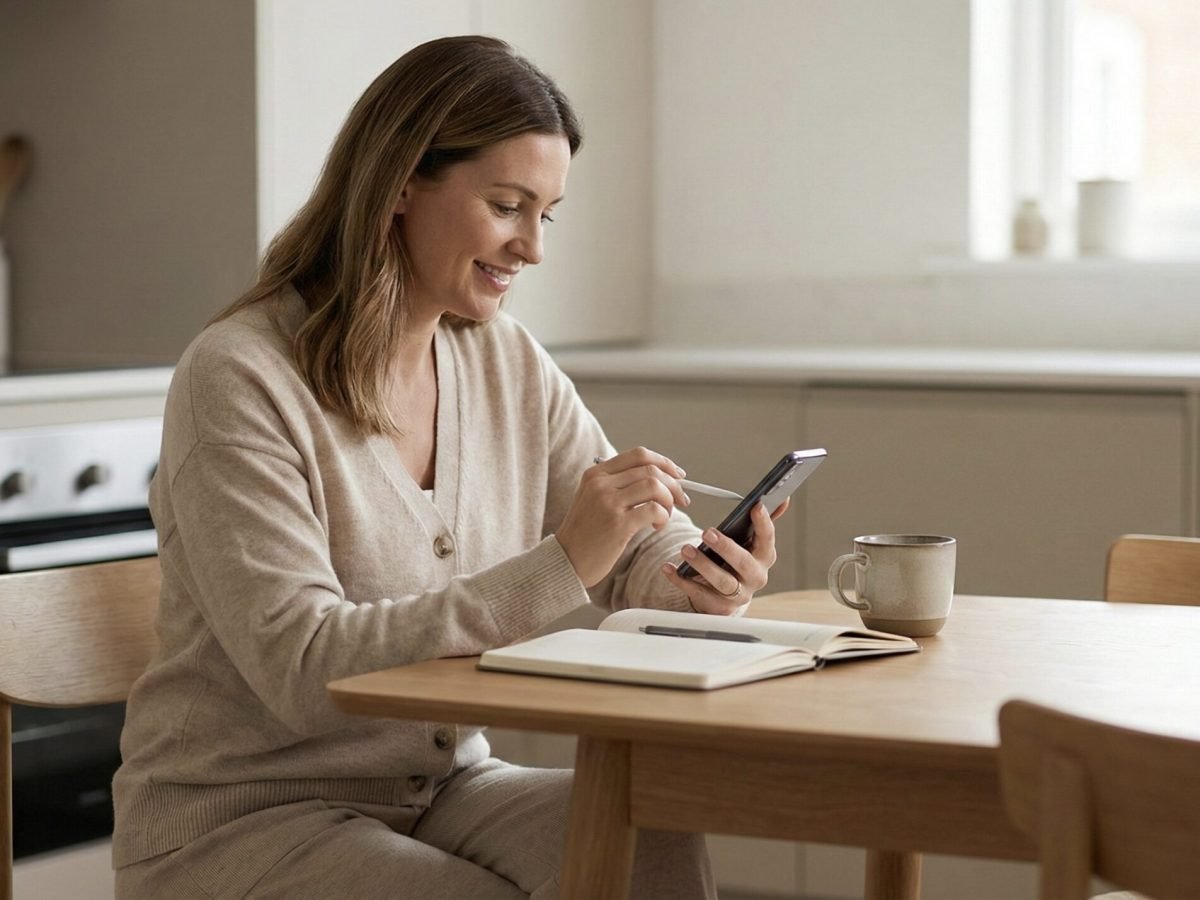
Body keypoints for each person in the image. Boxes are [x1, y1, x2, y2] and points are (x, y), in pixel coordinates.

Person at [112, 35, 788, 900]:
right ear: (400, 182)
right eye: (507, 206)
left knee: (645, 841)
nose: (531, 248)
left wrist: (693, 575)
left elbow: (626, 549)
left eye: (546, 214)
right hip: (241, 817)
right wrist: (564, 563)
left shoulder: (504, 359)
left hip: (443, 787)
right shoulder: (239, 377)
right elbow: (306, 669)